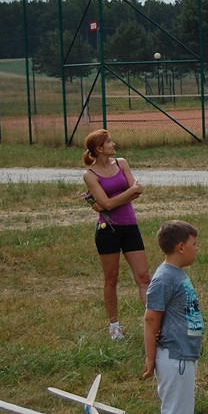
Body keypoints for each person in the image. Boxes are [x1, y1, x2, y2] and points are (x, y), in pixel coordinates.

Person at [142, 220, 204, 414]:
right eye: (193, 244)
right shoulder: (164, 278)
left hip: (183, 355)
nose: (196, 248)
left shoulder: (176, 274)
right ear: (180, 247)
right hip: (174, 357)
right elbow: (150, 319)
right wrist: (150, 358)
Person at [82, 129, 151, 340]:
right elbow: (111, 202)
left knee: (144, 277)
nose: (114, 144)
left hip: (131, 227)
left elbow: (131, 193)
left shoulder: (122, 163)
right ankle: (114, 327)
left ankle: (153, 321)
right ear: (99, 148)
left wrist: (110, 202)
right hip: (108, 231)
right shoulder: (90, 175)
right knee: (111, 279)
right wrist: (126, 195)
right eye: (109, 142)